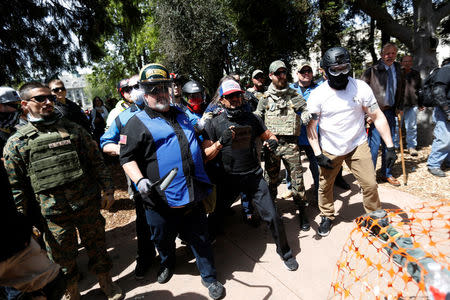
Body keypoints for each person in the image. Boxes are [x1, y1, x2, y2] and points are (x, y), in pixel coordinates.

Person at [4, 82, 123, 300]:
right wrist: (23, 222)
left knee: (97, 248)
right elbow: (16, 188)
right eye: (40, 98)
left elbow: (96, 161)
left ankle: (107, 285)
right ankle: (73, 294)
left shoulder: (73, 129)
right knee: (62, 258)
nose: (49, 102)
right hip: (53, 214)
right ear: (24, 104)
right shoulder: (16, 143)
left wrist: (108, 189)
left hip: (86, 204)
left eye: (50, 97)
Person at [119, 64, 224, 300]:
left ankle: (210, 278)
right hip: (158, 199)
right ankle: (167, 263)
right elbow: (126, 158)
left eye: (164, 87)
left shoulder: (182, 114)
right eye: (154, 89)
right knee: (162, 239)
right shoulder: (135, 123)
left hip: (190, 192)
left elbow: (200, 135)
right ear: (144, 93)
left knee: (201, 239)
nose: (160, 93)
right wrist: (140, 180)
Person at [202, 79, 299, 271]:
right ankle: (205, 251)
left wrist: (272, 142)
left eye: (238, 95)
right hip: (228, 179)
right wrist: (221, 142)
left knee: (273, 216)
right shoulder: (214, 123)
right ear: (222, 100)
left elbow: (269, 135)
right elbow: (206, 156)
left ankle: (285, 253)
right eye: (230, 97)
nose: (236, 99)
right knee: (215, 216)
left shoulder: (252, 118)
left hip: (253, 177)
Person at [307, 47, 397, 237]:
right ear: (324, 70)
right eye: (335, 70)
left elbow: (377, 116)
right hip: (331, 148)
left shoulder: (361, 87)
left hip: (357, 144)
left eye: (344, 68)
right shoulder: (317, 95)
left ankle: (374, 217)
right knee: (325, 186)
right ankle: (327, 215)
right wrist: (317, 153)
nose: (341, 74)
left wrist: (390, 146)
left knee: (370, 184)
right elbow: (311, 127)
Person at [0, 87, 65, 300]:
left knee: (51, 282)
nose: (12, 111)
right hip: (18, 219)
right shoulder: (12, 140)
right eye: (7, 107)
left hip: (19, 224)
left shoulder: (22, 131)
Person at [100, 84, 156, 280]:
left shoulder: (161, 108)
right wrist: (123, 150)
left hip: (168, 176)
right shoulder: (122, 117)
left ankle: (170, 255)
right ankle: (146, 257)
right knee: (144, 222)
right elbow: (105, 143)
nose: (136, 90)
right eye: (131, 87)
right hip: (140, 179)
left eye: (139, 85)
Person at [254, 60, 312, 230]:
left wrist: (306, 115)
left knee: (297, 180)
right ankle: (272, 212)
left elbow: (305, 108)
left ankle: (302, 211)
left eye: (284, 72)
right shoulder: (265, 98)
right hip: (272, 146)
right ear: (271, 76)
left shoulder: (294, 94)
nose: (281, 76)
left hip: (291, 145)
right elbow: (258, 116)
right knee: (271, 180)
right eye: (277, 73)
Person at [361, 43, 405, 187]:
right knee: (373, 146)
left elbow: (402, 88)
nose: (390, 56)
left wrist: (400, 106)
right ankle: (370, 176)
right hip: (375, 113)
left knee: (389, 143)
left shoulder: (398, 69)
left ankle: (386, 173)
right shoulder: (371, 71)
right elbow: (361, 93)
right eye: (387, 53)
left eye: (393, 53)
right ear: (381, 55)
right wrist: (366, 113)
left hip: (391, 111)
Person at [393, 55, 423, 156]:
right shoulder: (397, 74)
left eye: (409, 61)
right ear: (401, 62)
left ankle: (411, 146)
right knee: (397, 127)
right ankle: (395, 147)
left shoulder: (416, 74)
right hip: (399, 105)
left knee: (412, 127)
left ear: (412, 63)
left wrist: (420, 103)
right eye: (405, 61)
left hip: (412, 104)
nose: (407, 63)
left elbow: (419, 89)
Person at [426, 58, 450, 177]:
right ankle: (433, 164)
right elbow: (438, 92)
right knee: (444, 138)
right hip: (444, 109)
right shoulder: (446, 70)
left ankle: (447, 160)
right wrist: (447, 111)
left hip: (445, 109)